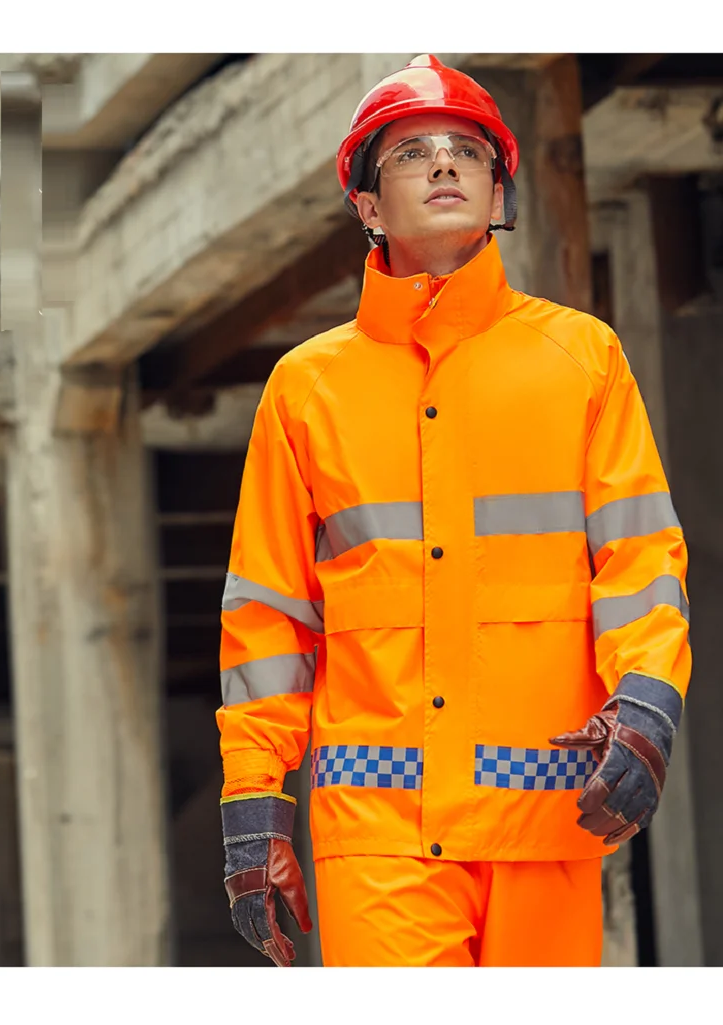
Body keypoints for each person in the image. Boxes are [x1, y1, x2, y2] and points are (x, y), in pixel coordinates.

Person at [216, 55, 691, 968]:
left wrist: (647, 703)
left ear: (498, 192)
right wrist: (253, 801)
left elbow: (640, 559)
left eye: (466, 151)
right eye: (411, 152)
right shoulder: (305, 391)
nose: (443, 163)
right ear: (367, 204)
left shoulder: (583, 359)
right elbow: (268, 615)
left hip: (547, 815)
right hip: (378, 835)